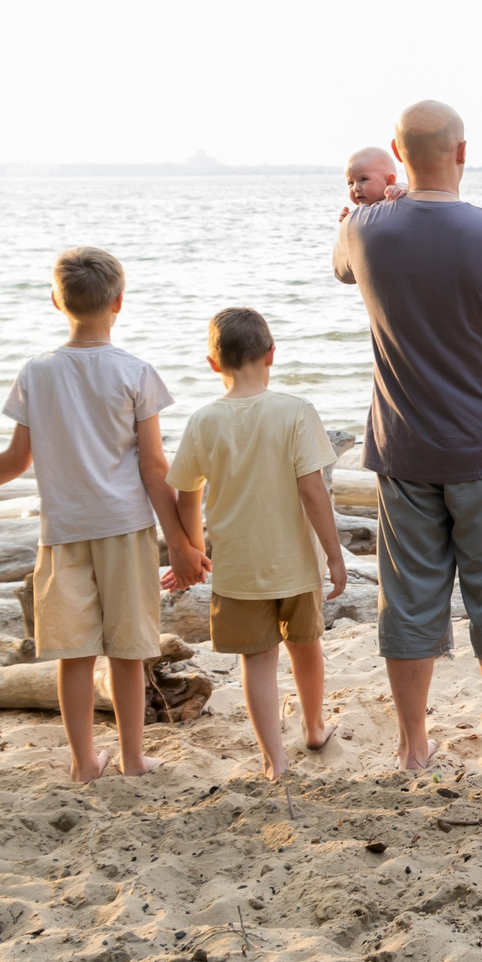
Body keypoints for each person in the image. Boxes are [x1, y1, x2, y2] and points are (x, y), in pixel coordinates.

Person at [334, 99, 482, 770]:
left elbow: (340, 264)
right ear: (462, 152)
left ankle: (413, 747)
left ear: (396, 154)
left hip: (403, 447)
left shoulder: (364, 229)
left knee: (409, 599)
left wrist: (373, 204)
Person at [0, 248, 203, 782]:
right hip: (125, 529)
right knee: (128, 652)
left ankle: (84, 762)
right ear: (118, 302)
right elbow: (154, 466)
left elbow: (15, 461)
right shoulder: (135, 372)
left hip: (62, 533)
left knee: (75, 655)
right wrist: (180, 542)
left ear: (56, 301)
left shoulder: (37, 372)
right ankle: (133, 759)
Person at [165, 308, 346, 777]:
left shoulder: (203, 420)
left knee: (258, 661)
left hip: (238, 567)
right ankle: (314, 727)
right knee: (306, 646)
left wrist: (193, 549)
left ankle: (274, 761)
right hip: (295, 563)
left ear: (213, 363)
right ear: (271, 355)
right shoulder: (296, 411)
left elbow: (188, 494)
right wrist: (334, 554)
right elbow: (313, 489)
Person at [341, 145, 402, 218]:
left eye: (363, 179)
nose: (355, 188)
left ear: (389, 181)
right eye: (351, 183)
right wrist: (348, 220)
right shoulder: (361, 213)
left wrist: (399, 190)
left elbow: (410, 193)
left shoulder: (397, 197)